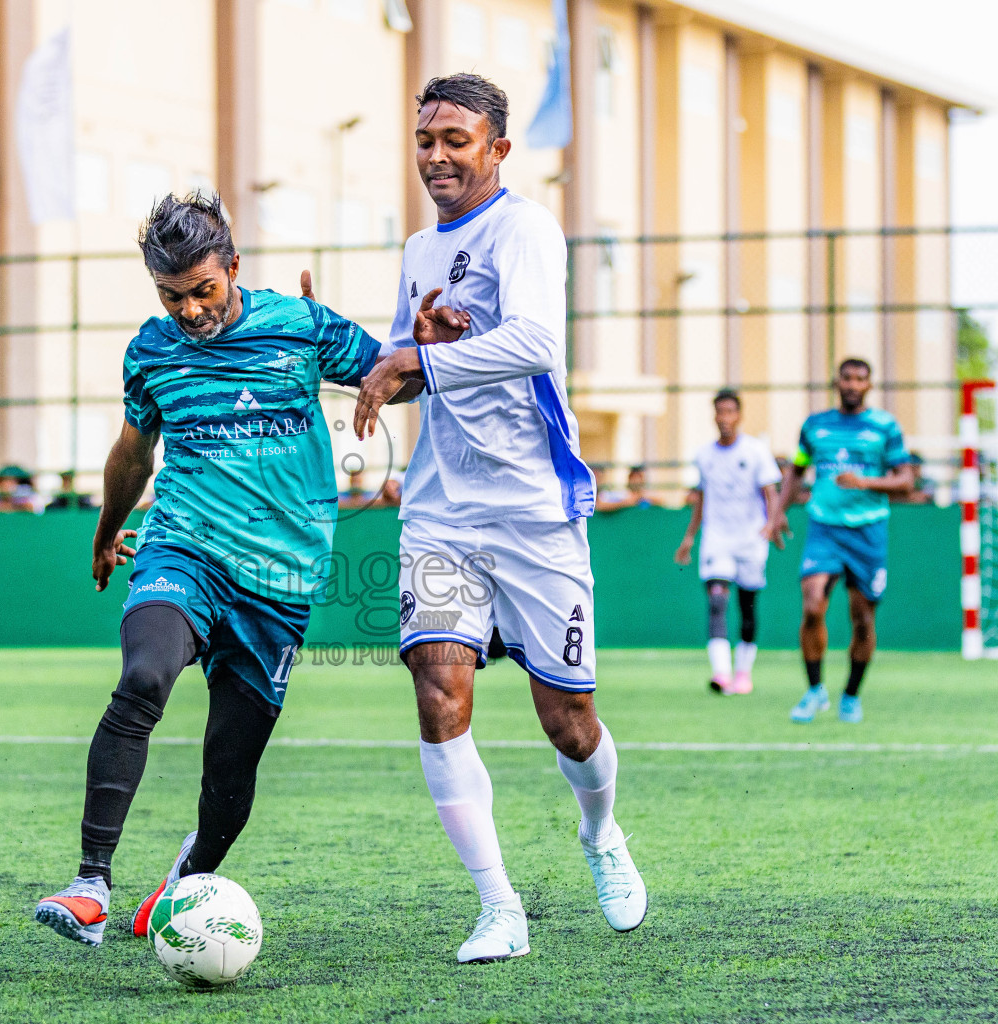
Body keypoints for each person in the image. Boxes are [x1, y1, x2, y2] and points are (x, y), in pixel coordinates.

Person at [32, 191, 382, 949]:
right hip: (183, 547)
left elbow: (394, 372)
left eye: (203, 290)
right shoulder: (152, 351)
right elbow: (134, 453)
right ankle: (90, 885)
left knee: (230, 770)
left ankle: (185, 882)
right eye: (172, 296)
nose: (190, 310)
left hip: (280, 580)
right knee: (143, 676)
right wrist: (107, 531)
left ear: (233, 267)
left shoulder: (300, 325)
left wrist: (417, 350)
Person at [348, 73, 645, 964]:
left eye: (456, 140)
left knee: (569, 720)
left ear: (498, 149)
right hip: (440, 511)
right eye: (425, 139)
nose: (437, 156)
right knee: (439, 693)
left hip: (533, 511)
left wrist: (422, 358)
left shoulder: (526, 229)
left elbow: (537, 343)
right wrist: (339, 347)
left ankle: (601, 834)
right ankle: (499, 908)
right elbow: (404, 364)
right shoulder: (417, 248)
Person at [765, 358, 915, 725]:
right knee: (813, 604)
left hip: (868, 530)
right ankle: (815, 690)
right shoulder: (814, 426)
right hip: (824, 528)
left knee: (862, 618)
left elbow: (906, 480)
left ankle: (850, 695)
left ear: (869, 385)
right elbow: (797, 470)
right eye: (846, 378)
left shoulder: (885, 426)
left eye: (860, 379)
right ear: (837, 382)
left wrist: (866, 482)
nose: (852, 384)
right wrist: (777, 513)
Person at [673, 390, 782, 694]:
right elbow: (701, 498)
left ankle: (743, 673)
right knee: (717, 601)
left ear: (739, 415)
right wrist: (689, 537)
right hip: (717, 539)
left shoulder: (756, 451)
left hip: (750, 539)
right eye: (720, 412)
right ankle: (721, 673)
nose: (725, 418)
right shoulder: (704, 455)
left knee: (747, 606)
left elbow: (771, 493)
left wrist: (771, 523)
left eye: (730, 412)